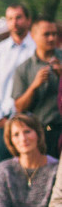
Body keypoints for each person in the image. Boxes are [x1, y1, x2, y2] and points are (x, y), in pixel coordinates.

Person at [0, 4, 36, 161]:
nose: (14, 22)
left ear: (28, 20)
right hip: (7, 121)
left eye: (19, 17)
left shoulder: (37, 48)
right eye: (10, 19)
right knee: (8, 172)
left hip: (34, 120)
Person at [13, 17, 62, 158]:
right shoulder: (23, 69)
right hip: (39, 133)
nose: (52, 38)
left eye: (54, 34)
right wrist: (34, 86)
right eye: (46, 34)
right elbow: (20, 108)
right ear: (33, 36)